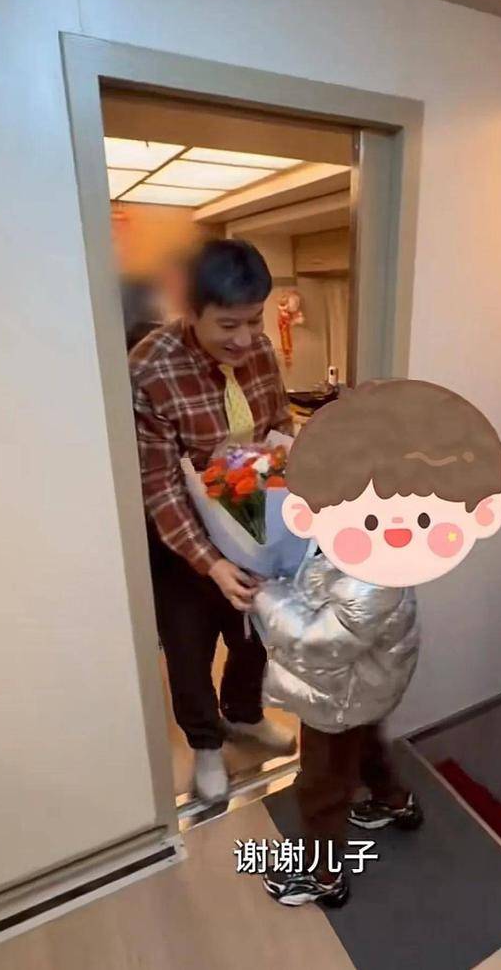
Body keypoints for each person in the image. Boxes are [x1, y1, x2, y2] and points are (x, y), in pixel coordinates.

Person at [252, 379, 501, 906]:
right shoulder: (370, 538)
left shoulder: (373, 574)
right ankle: (395, 802)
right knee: (366, 746)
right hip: (364, 685)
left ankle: (324, 875)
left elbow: (322, 641)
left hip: (339, 691)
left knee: (322, 783)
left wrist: (265, 597)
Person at [129, 239, 296, 802]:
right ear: (191, 311)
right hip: (182, 537)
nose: (246, 339)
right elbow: (159, 484)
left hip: (253, 518)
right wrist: (211, 562)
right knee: (188, 648)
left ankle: (244, 714)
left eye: (255, 320)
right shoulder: (150, 369)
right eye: (229, 325)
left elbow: (277, 425)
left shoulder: (260, 350)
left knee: (253, 634)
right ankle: (205, 743)